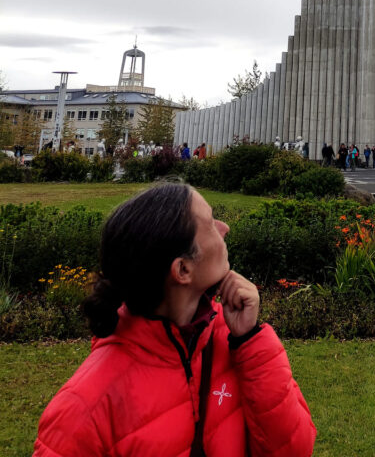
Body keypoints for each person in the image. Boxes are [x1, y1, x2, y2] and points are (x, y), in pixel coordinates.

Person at [33, 182, 316, 457]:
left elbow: (294, 450)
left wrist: (249, 339)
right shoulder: (86, 409)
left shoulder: (228, 338)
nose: (224, 228)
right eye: (211, 223)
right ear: (183, 270)